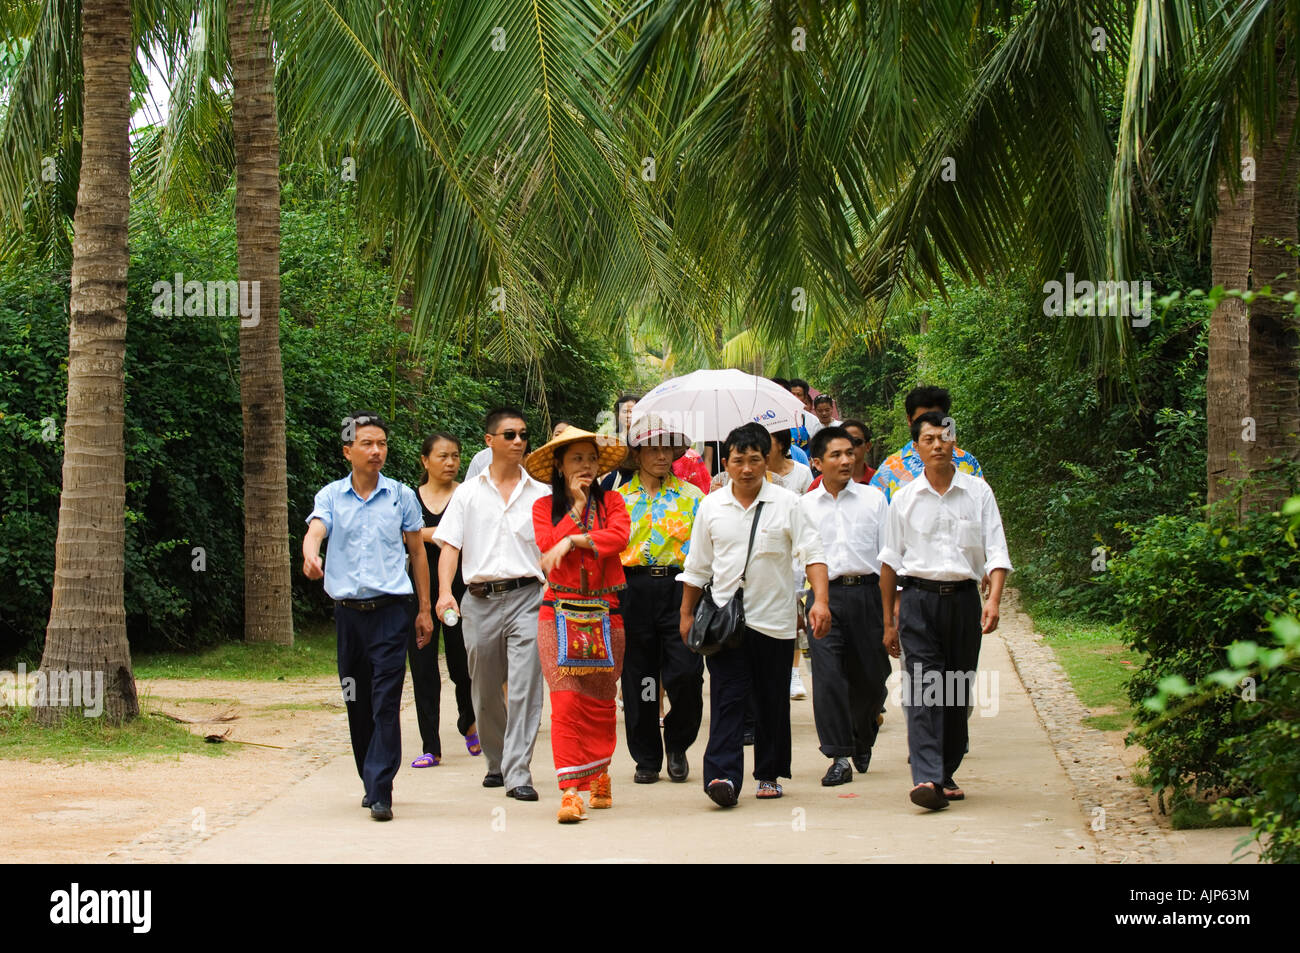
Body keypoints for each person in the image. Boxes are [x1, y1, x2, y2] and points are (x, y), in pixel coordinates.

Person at [680, 423, 830, 806]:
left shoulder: (788, 504)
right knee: (728, 698)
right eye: (738, 460)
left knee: (770, 700)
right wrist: (686, 613)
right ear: (726, 463)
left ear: (768, 462)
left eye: (754, 460)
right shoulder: (711, 506)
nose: (746, 468)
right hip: (726, 621)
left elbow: (812, 554)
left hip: (775, 620)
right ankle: (722, 777)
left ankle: (769, 772)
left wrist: (821, 601)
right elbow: (697, 566)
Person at [302, 412, 433, 822]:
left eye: (382, 444)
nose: (376, 451)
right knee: (355, 698)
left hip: (392, 612)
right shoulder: (331, 496)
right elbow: (317, 529)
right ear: (348, 451)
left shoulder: (400, 496)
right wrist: (310, 553)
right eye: (367, 444)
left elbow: (417, 553)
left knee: (385, 700)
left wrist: (425, 609)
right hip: (348, 616)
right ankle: (369, 777)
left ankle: (382, 789)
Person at [878, 411, 1011, 811]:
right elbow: (888, 562)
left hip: (963, 600)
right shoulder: (903, 499)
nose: (938, 445)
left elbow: (997, 550)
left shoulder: (978, 493)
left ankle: (946, 767)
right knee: (921, 689)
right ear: (916, 448)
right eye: (929, 438)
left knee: (955, 688)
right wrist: (888, 620)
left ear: (955, 443)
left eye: (944, 438)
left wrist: (994, 600)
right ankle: (926, 776)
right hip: (918, 599)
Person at [434, 407, 550, 802]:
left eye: (523, 435)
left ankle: (519, 771)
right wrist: (445, 593)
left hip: (528, 598)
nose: (518, 441)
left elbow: (551, 549)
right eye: (509, 434)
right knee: (483, 689)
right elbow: (450, 546)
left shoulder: (542, 494)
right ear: (489, 441)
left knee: (524, 687)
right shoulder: (467, 494)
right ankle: (496, 761)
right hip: (479, 601)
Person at [526, 427, 631, 823]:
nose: (585, 465)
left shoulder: (615, 501)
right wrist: (575, 509)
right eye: (576, 459)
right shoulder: (542, 507)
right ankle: (571, 791)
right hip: (558, 611)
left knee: (602, 698)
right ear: (559, 466)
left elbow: (619, 537)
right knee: (566, 699)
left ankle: (600, 772)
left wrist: (571, 542)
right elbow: (545, 541)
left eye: (590, 458)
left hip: (606, 611)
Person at [617, 415, 705, 784]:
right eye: (652, 448)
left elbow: (705, 552)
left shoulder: (693, 498)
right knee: (640, 678)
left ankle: (679, 743)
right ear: (636, 455)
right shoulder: (617, 500)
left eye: (666, 447)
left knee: (685, 673)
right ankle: (647, 757)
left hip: (679, 588)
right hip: (632, 590)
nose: (661, 455)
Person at [801, 426, 890, 786]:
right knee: (828, 677)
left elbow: (888, 559)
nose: (845, 460)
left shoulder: (874, 500)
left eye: (849, 453)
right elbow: (798, 558)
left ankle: (863, 731)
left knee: (872, 679)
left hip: (868, 594)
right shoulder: (803, 506)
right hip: (823, 599)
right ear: (818, 462)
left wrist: (891, 611)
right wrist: (798, 601)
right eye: (836, 455)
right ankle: (838, 755)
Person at [408, 433, 479, 770]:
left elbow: (471, 537)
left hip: (458, 590)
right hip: (418, 590)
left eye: (455, 456)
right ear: (425, 461)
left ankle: (468, 721)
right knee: (422, 669)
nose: (450, 462)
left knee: (461, 664)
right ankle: (430, 746)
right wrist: (444, 533)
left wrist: (423, 534)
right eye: (442, 456)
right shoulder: (409, 498)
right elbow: (401, 534)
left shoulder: (467, 494)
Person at [869, 386, 982, 502]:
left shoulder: (968, 463)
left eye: (936, 418)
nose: (930, 425)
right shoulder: (890, 469)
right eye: (922, 420)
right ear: (909, 420)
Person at [808, 418, 876, 490]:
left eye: (856, 441)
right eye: (845, 442)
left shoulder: (880, 480)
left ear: (868, 446)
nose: (850, 446)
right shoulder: (820, 483)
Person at [599, 394, 642, 491]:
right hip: (616, 485)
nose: (629, 415)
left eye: (633, 411)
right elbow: (603, 468)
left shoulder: (646, 440)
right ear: (618, 415)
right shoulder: (610, 440)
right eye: (625, 411)